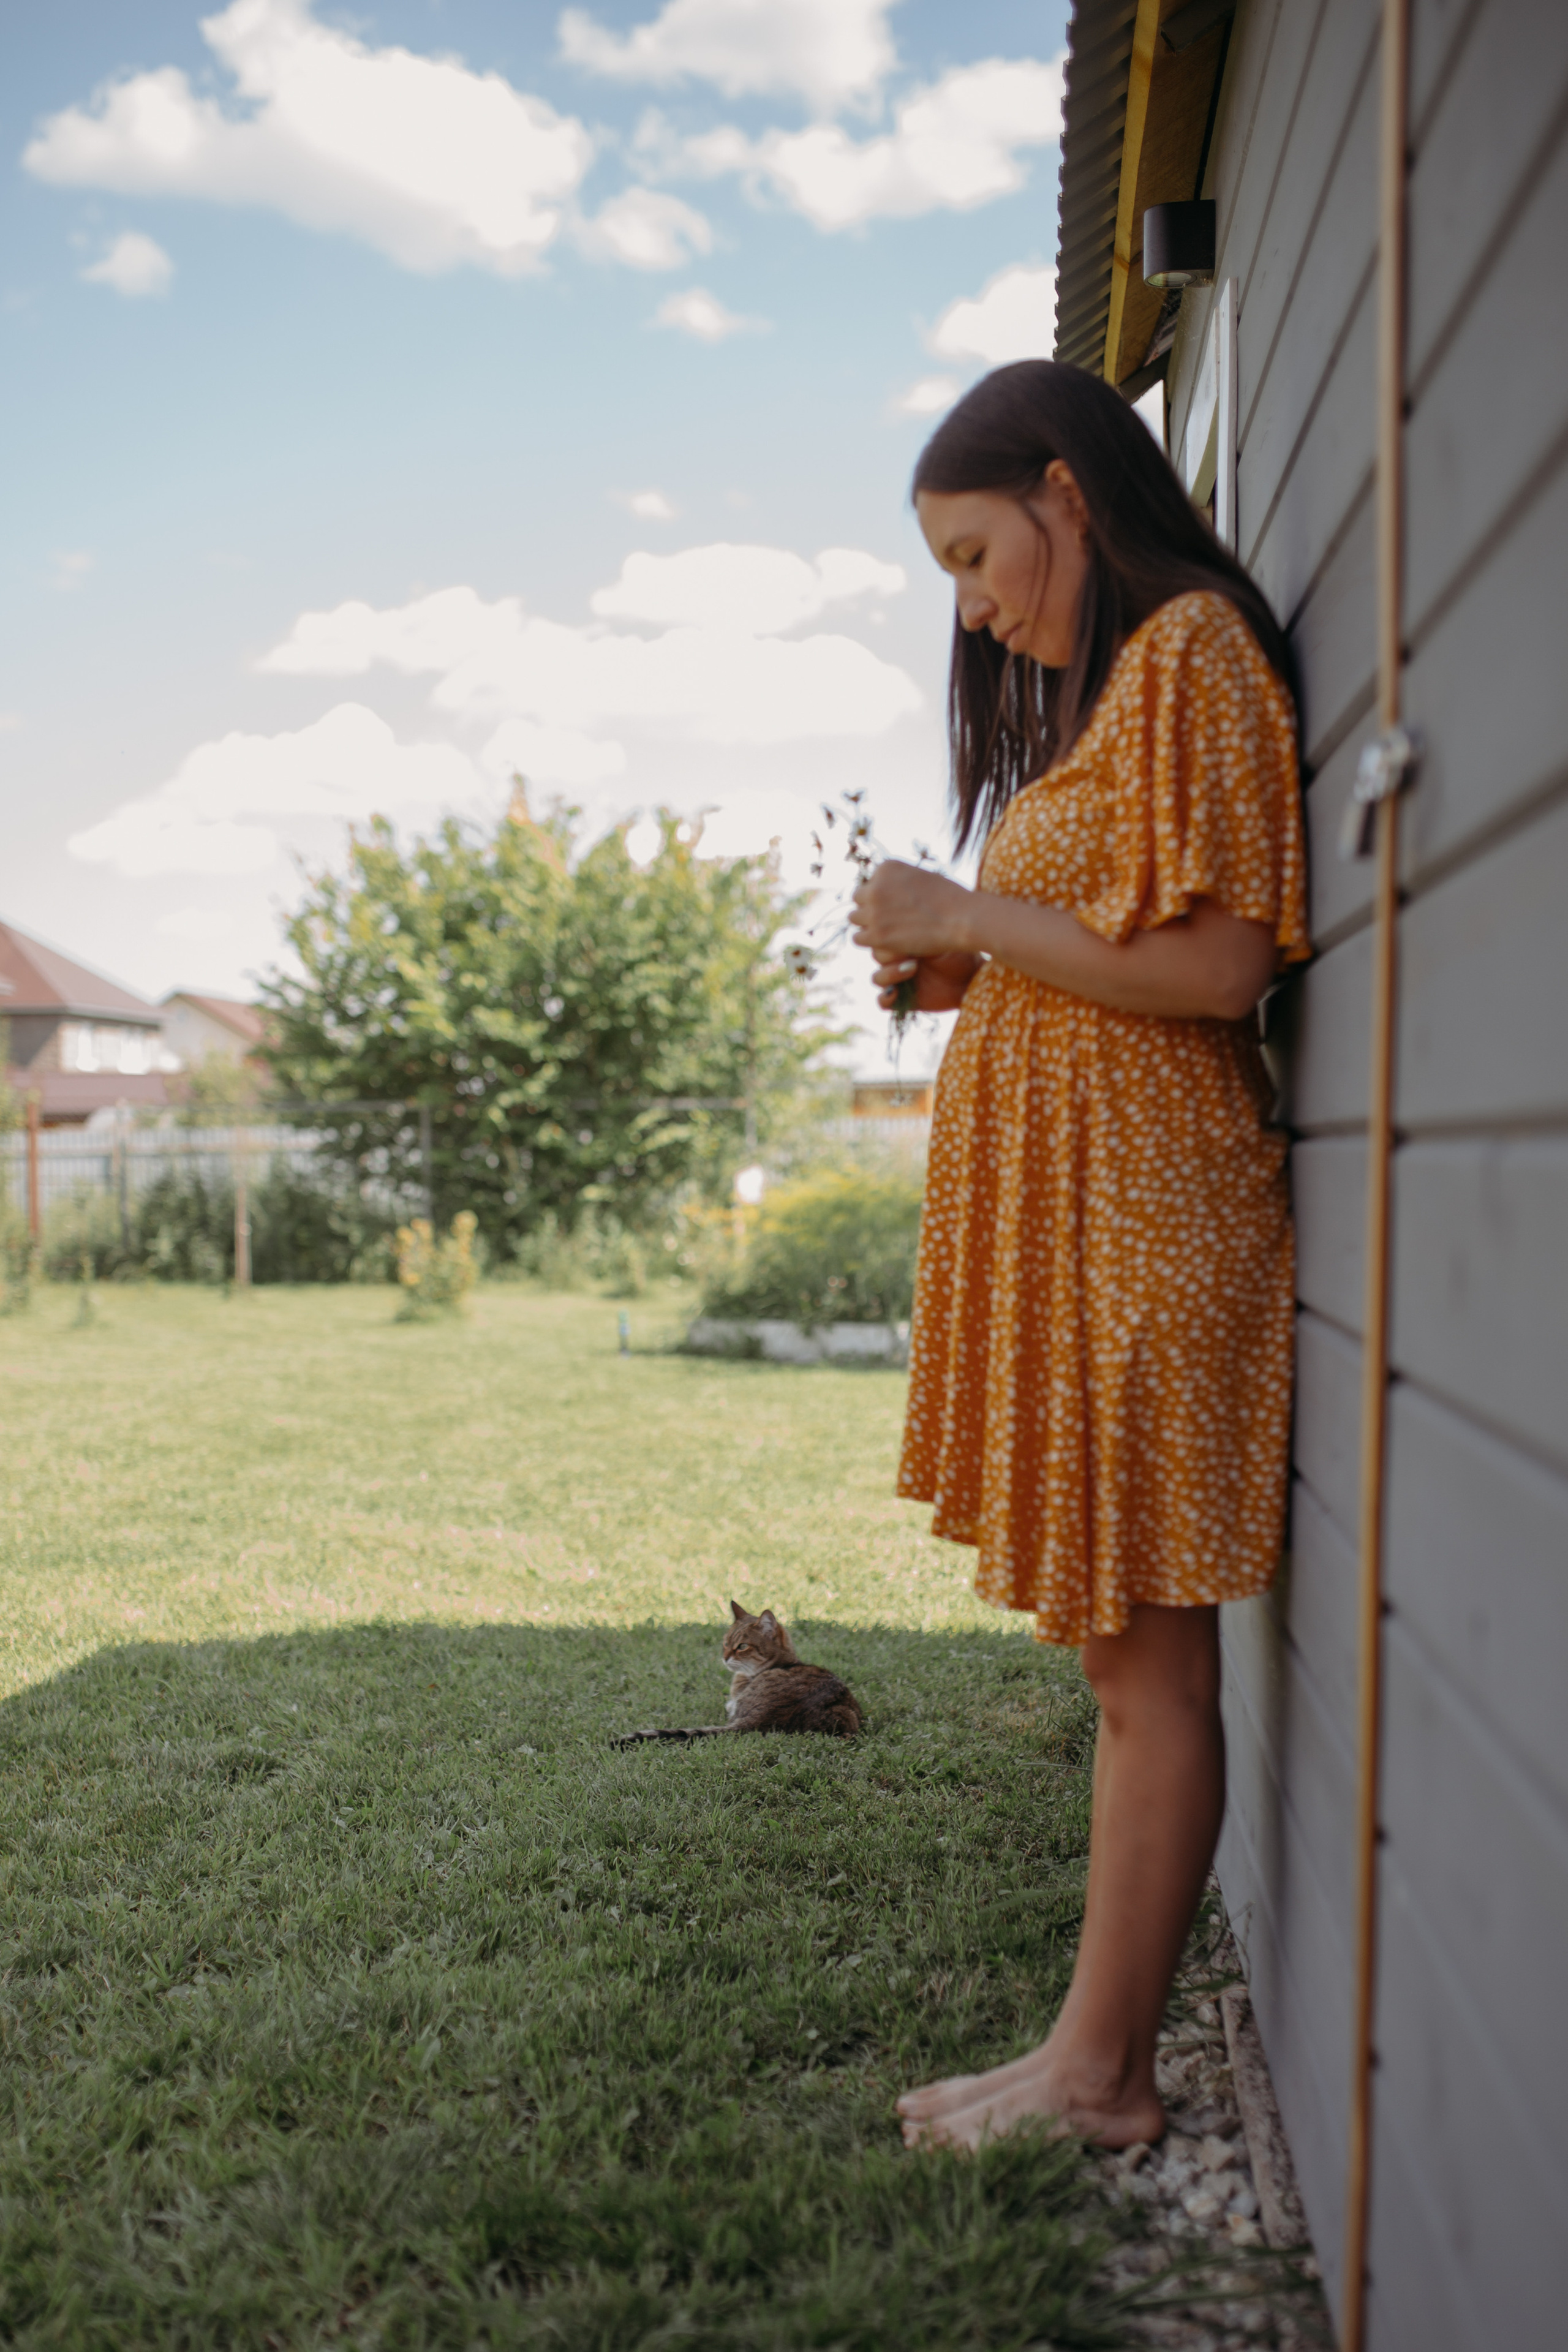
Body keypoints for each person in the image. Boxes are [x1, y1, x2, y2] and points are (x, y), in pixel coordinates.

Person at [851, 361, 1308, 2153]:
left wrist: (970, 911)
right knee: (1128, 1662)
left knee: (1146, 1668)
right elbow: (1123, 941)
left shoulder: (1192, 648)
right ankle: (1082, 2054)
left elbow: (1220, 967)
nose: (974, 602)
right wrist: (983, 962)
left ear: (1066, 483)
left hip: (1148, 1219)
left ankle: (1098, 2074)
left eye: (976, 553)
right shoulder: (1119, 693)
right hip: (1096, 1219)